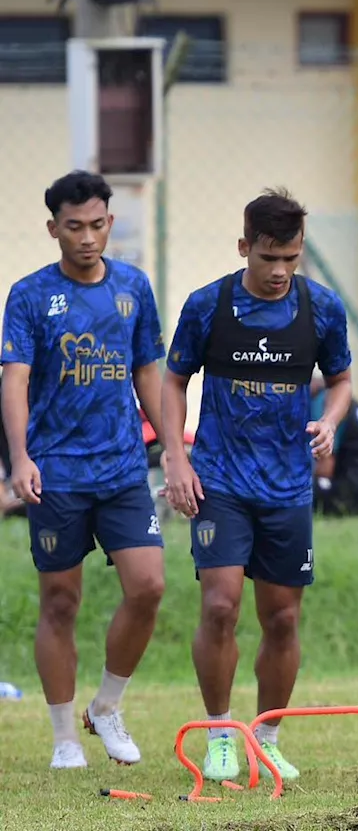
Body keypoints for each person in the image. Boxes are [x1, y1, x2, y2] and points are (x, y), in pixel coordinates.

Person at [161, 189, 353, 783]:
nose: (278, 272)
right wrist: (176, 460)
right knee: (220, 606)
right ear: (245, 247)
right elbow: (172, 383)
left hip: (287, 486)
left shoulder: (321, 308)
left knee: (284, 620)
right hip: (218, 479)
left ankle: (265, 736)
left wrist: (331, 419)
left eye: (290, 259)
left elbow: (342, 379)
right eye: (268, 257)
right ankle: (221, 733)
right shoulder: (207, 306)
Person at [1, 170, 167, 769]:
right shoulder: (28, 295)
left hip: (123, 466)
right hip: (57, 474)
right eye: (75, 227)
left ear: (110, 223)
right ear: (54, 229)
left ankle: (107, 706)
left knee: (148, 586)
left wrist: (172, 447)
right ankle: (64, 736)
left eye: (98, 224)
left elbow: (148, 370)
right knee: (61, 602)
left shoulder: (133, 287)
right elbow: (14, 380)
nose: (88, 237)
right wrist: (19, 459)